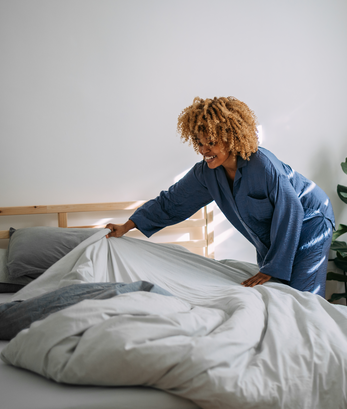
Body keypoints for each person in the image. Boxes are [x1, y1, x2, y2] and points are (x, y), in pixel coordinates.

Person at [105, 96, 335, 297]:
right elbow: (172, 201)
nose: (204, 150)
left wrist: (272, 267)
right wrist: (128, 226)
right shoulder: (207, 173)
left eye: (212, 143)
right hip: (279, 232)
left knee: (304, 295)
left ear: (232, 138)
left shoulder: (263, 166)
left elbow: (291, 209)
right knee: (280, 291)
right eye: (199, 143)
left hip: (311, 219)